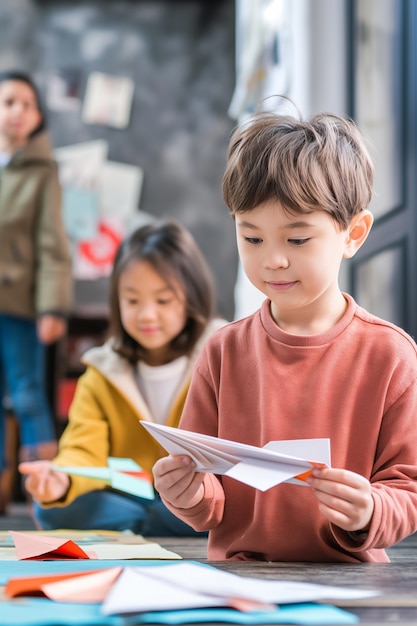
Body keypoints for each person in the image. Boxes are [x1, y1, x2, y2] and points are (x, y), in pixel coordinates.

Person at [152, 110, 417, 562]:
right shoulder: (221, 351)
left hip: (351, 582)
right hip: (240, 581)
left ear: (353, 234)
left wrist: (370, 510)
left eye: (297, 240)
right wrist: (187, 493)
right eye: (251, 238)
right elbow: (208, 494)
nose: (272, 260)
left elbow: (407, 489)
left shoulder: (389, 354)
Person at [19, 220, 227, 536]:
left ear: (191, 298)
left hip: (199, 496)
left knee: (222, 506)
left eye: (163, 300)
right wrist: (61, 480)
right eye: (132, 300)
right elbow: (83, 450)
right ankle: (159, 523)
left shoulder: (222, 356)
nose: (146, 315)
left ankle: (148, 524)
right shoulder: (103, 371)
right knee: (52, 510)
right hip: (132, 493)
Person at [0, 70, 72, 514]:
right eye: (9, 101)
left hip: (21, 305)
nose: (18, 111)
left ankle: (44, 497)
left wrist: (52, 306)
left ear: (38, 116)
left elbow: (53, 244)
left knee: (27, 394)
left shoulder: (42, 171)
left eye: (28, 104)